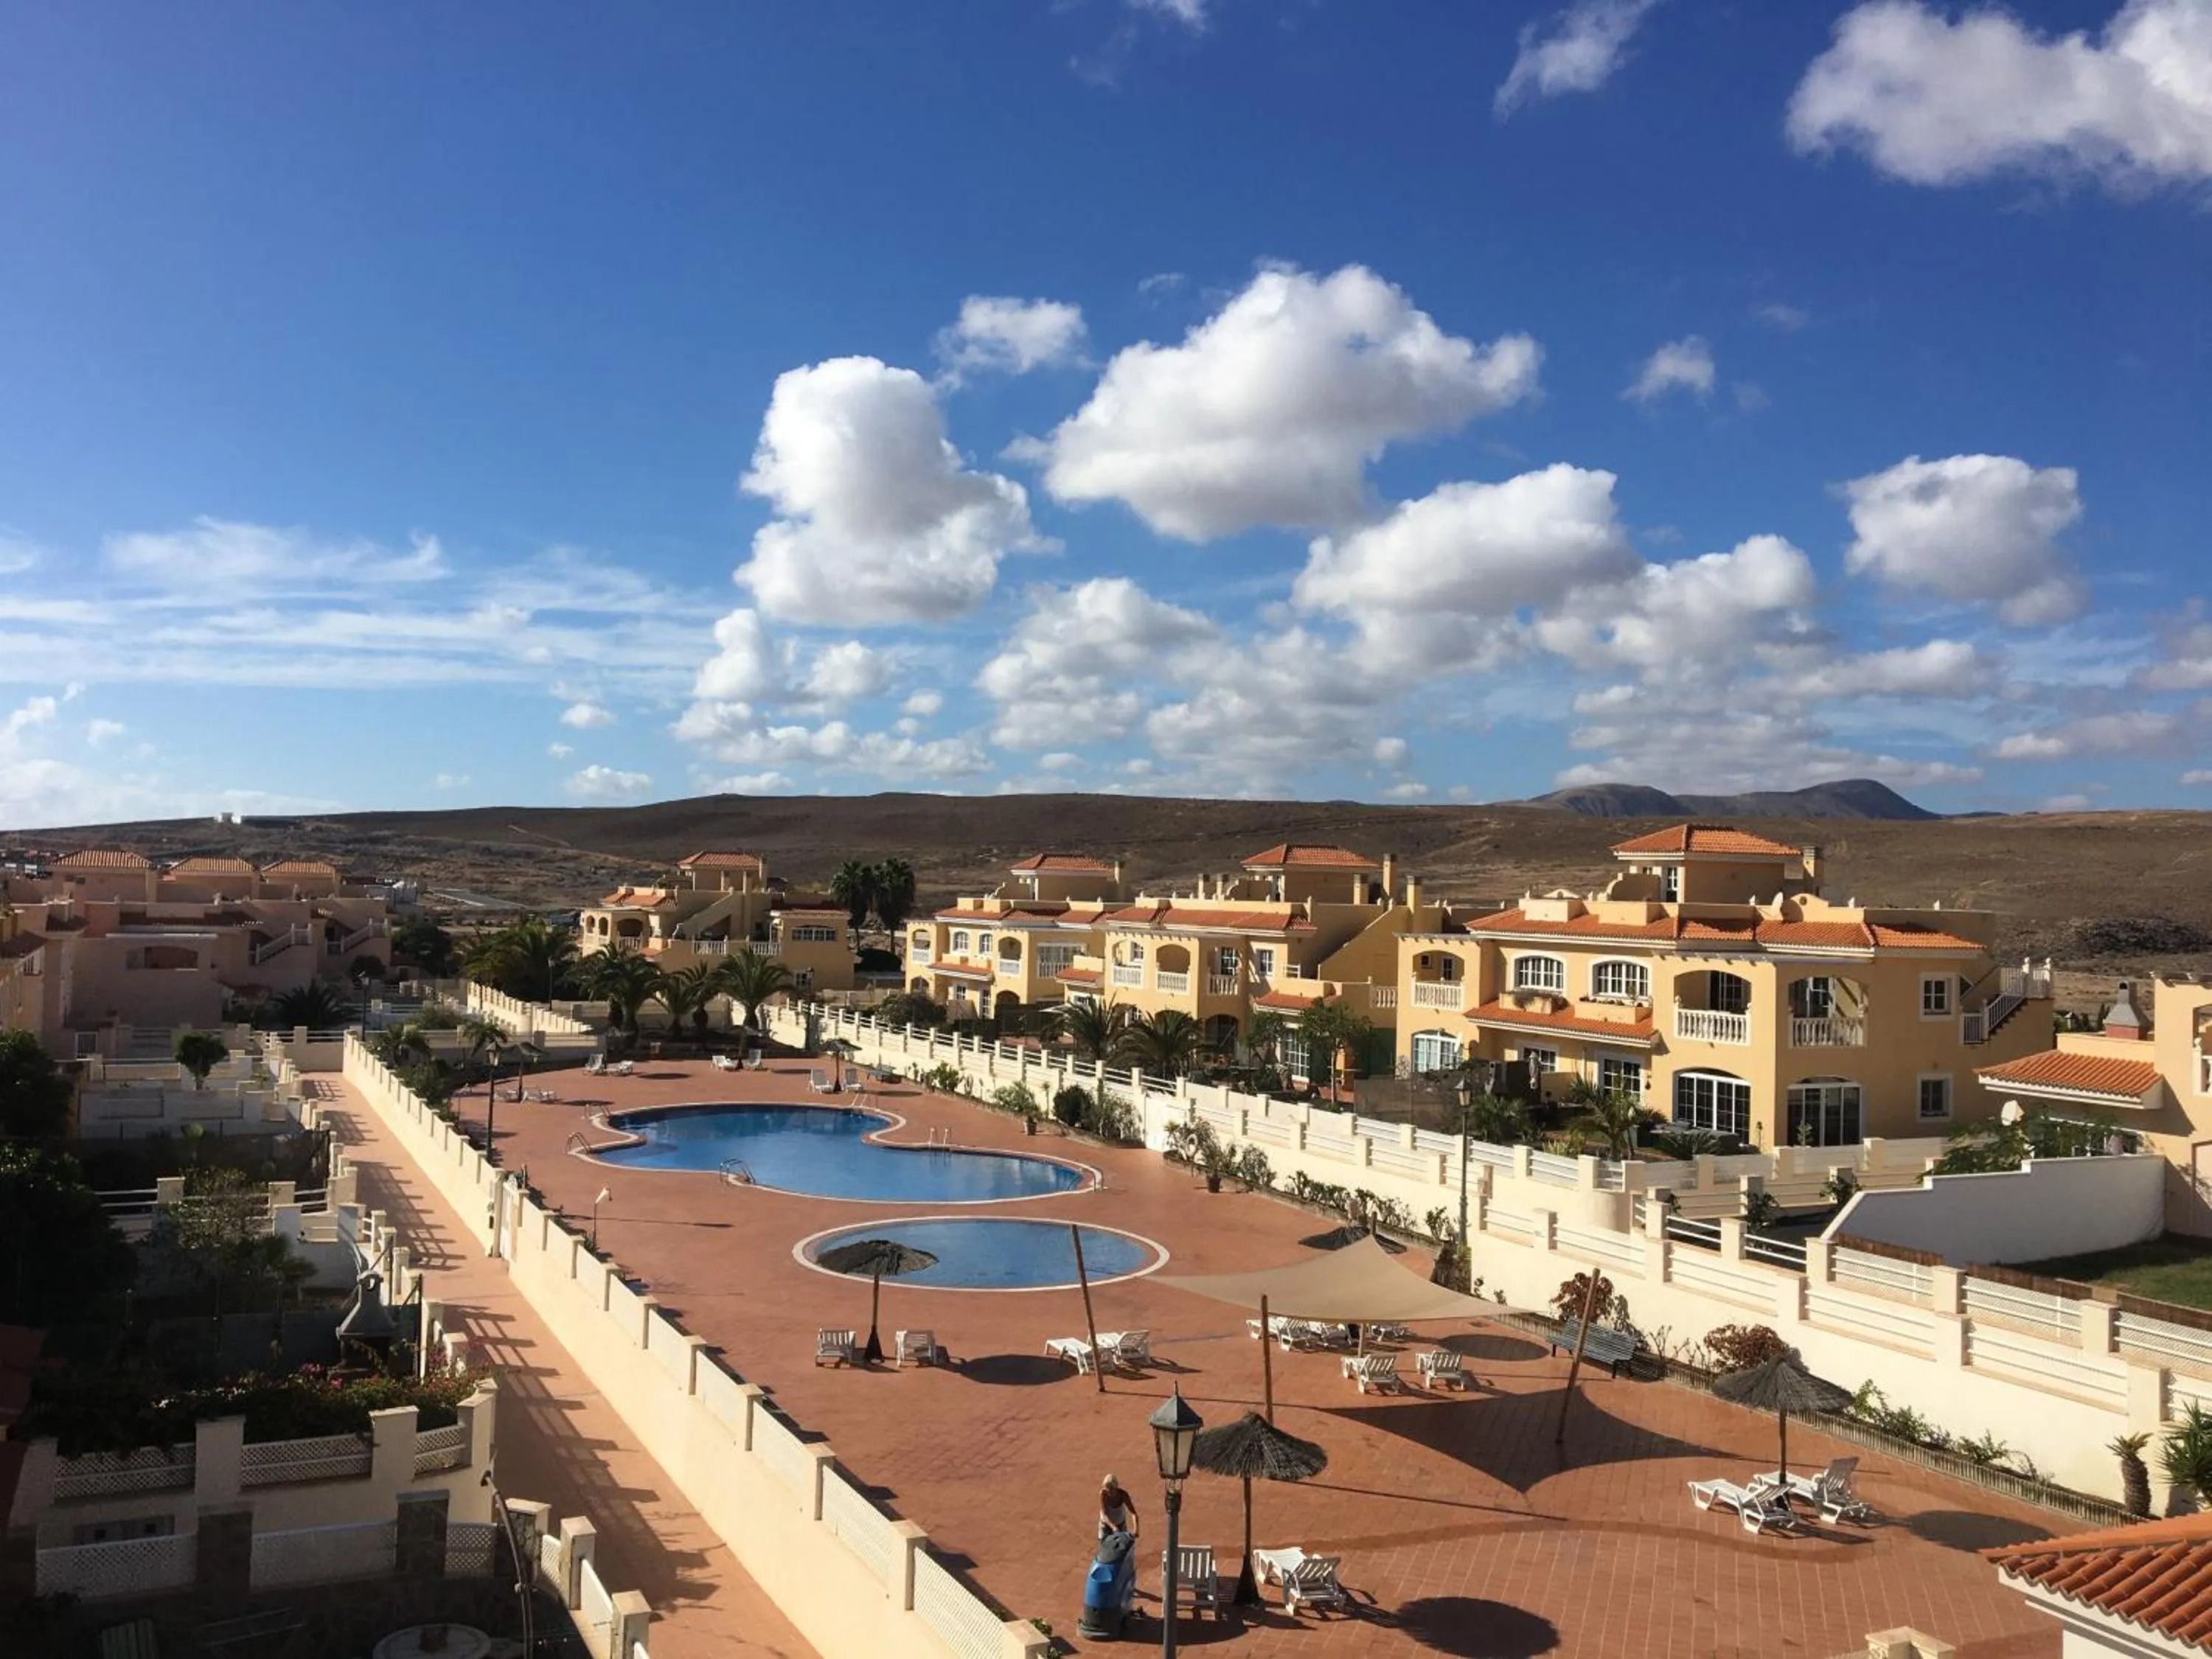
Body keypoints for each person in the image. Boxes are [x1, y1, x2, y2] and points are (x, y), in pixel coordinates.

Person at [1099, 1473, 1139, 1541]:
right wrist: (1113, 1527)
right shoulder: (1103, 1494)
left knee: (1122, 1547)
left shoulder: (1123, 1495)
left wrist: (1136, 1530)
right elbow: (1105, 1514)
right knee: (1104, 1546)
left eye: (1111, 1489)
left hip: (1120, 1524)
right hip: (1106, 1525)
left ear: (1116, 1487)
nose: (1109, 1491)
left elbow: (1133, 1513)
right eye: (1107, 1488)